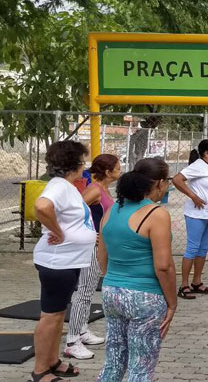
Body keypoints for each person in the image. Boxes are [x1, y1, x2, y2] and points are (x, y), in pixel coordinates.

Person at [97, 158, 177, 381]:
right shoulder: (156, 214)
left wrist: (114, 279)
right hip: (146, 297)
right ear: (159, 183)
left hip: (112, 291)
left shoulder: (112, 210)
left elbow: (101, 254)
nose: (168, 187)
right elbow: (164, 266)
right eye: (168, 181)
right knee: (141, 366)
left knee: (113, 361)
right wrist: (172, 302)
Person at [31, 141, 96, 382]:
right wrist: (57, 231)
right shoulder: (58, 186)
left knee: (58, 315)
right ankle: (40, 371)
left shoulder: (66, 186)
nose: (85, 166)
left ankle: (52, 360)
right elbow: (42, 206)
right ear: (76, 164)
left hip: (67, 261)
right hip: (57, 263)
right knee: (50, 316)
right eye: (83, 161)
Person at [64, 154, 122, 360]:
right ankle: (72, 341)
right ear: (107, 172)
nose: (120, 170)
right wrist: (89, 233)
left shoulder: (104, 189)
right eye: (117, 167)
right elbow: (73, 212)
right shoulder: (95, 189)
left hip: (97, 247)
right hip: (89, 247)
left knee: (88, 292)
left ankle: (82, 330)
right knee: (84, 293)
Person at [173, 139, 208, 299]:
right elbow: (177, 180)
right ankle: (184, 285)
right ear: (206, 153)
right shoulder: (197, 166)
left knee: (203, 249)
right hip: (197, 214)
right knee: (192, 249)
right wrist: (193, 196)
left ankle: (197, 281)